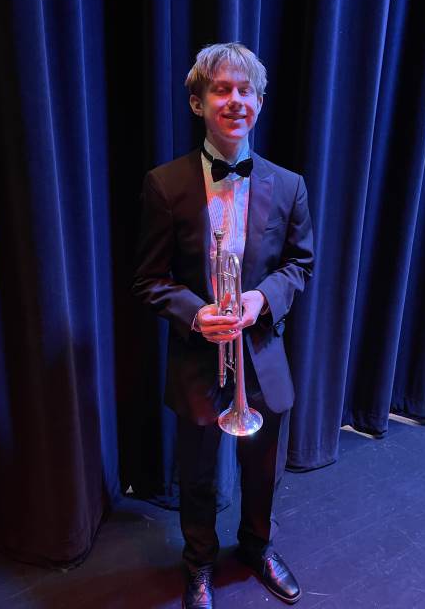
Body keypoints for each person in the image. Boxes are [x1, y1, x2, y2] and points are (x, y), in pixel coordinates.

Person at [133, 42, 314, 608]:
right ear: (198, 103)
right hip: (198, 357)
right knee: (198, 475)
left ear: (259, 102)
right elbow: (148, 279)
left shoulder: (289, 185)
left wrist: (261, 298)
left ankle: (258, 547)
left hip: (260, 352)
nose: (236, 100)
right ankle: (199, 564)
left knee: (263, 469)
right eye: (221, 90)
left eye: (245, 90)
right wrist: (195, 312)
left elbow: (300, 264)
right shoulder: (165, 184)